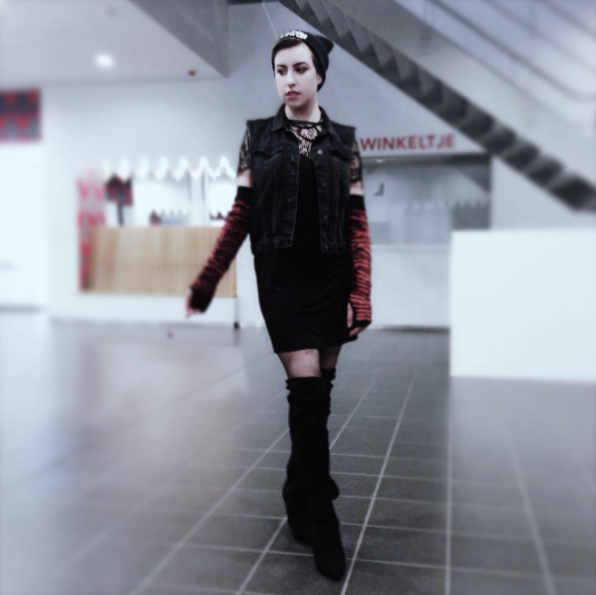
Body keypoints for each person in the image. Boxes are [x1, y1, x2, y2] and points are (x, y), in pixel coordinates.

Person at [185, 29, 372, 581]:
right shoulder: (257, 138)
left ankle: (296, 489)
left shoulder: (345, 143)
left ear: (319, 74)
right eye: (280, 70)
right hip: (283, 281)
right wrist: (207, 281)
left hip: (333, 277)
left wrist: (361, 293)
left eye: (299, 69)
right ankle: (324, 517)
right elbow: (241, 214)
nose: (288, 79)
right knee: (306, 389)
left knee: (318, 402)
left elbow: (357, 225)